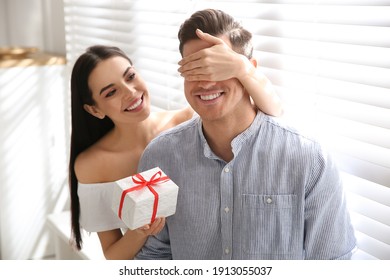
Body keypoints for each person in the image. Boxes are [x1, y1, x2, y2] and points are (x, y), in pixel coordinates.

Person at [135, 9, 357, 260]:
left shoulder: (309, 159)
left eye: (218, 67)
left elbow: (332, 263)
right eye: (194, 69)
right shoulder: (159, 157)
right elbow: (154, 255)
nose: (206, 82)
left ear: (248, 69)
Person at [69, 36, 283, 258]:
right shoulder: (93, 164)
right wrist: (141, 231)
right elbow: (113, 256)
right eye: (111, 92)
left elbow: (273, 115)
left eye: (130, 77)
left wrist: (242, 68)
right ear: (94, 110)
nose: (130, 92)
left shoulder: (188, 121)